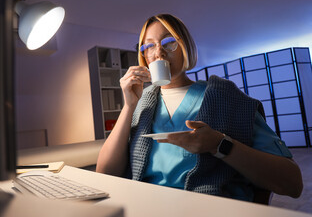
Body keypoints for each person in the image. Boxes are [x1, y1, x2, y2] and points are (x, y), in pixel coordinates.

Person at [96, 13, 303, 202]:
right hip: (148, 204)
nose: (158, 52)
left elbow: (293, 183)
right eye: (149, 46)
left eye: (168, 42)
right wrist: (128, 106)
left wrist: (219, 145)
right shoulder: (141, 104)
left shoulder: (224, 97)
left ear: (185, 45)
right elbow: (104, 174)